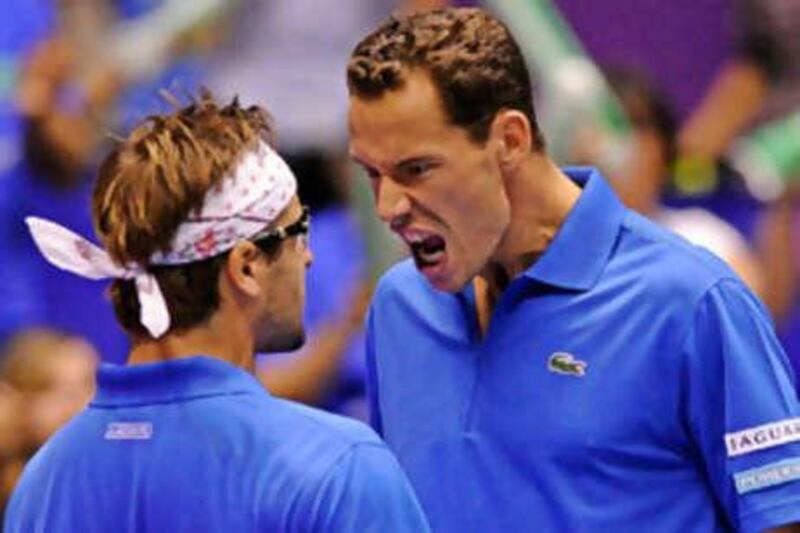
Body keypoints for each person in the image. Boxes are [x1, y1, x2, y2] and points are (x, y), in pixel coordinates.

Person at [346, 7, 800, 532]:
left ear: (510, 141)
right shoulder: (399, 307)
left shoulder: (691, 299)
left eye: (416, 169)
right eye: (372, 174)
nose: (388, 207)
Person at [4, 92, 430, 532]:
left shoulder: (44, 483)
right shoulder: (337, 469)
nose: (309, 258)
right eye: (298, 231)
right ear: (245, 266)